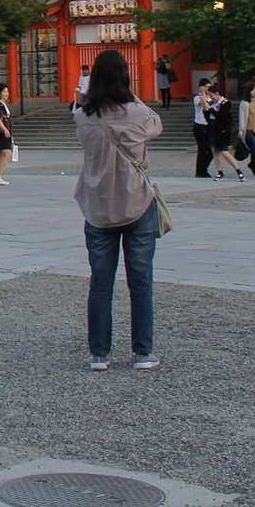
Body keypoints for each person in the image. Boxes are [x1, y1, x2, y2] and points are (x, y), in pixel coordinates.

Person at [74, 48, 165, 371]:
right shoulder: (138, 114)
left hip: (97, 205)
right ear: (125, 78)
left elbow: (84, 141)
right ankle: (143, 352)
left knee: (100, 281)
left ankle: (100, 353)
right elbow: (157, 124)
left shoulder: (83, 117)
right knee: (140, 280)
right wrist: (132, 95)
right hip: (137, 203)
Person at [207, 86, 246, 181]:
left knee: (224, 151)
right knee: (215, 152)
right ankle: (219, 172)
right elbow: (208, 115)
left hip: (223, 131)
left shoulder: (226, 103)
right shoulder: (212, 103)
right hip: (213, 129)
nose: (210, 97)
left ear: (216, 93)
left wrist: (209, 108)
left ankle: (239, 171)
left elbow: (221, 116)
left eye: (211, 95)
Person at [192, 78, 217, 177]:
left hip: (208, 126)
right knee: (202, 150)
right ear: (201, 87)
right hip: (199, 126)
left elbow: (212, 107)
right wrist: (202, 94)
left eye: (208, 87)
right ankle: (200, 172)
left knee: (210, 152)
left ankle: (203, 170)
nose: (207, 89)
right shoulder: (197, 98)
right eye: (206, 86)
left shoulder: (209, 97)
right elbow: (204, 105)